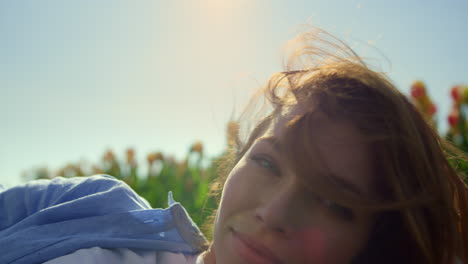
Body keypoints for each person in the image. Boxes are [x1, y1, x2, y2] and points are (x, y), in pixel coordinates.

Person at [1, 28, 467, 264]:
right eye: (266, 161)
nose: (275, 212)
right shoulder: (93, 203)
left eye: (333, 201)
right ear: (237, 159)